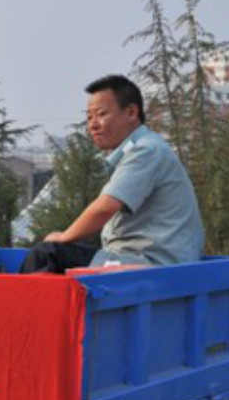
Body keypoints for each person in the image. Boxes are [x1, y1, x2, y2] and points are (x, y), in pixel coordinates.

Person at [20, 74, 204, 273]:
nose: (93, 124)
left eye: (101, 114)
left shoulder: (146, 150)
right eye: (89, 117)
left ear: (132, 112)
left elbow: (104, 208)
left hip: (151, 264)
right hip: (138, 259)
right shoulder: (136, 149)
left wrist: (64, 237)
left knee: (47, 254)